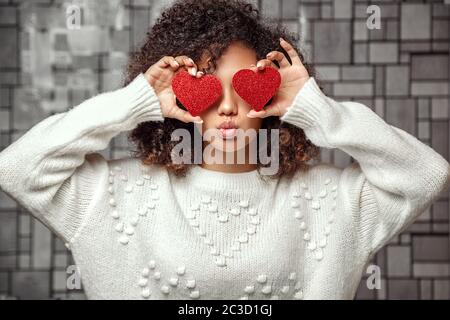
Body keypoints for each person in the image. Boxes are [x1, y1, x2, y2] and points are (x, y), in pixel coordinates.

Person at [0, 0, 448, 300]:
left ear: (270, 98)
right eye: (208, 87)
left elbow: (425, 173)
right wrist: (131, 104)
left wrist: (317, 111)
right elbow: (17, 168)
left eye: (243, 89)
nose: (229, 107)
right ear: (176, 95)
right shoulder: (109, 195)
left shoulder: (334, 201)